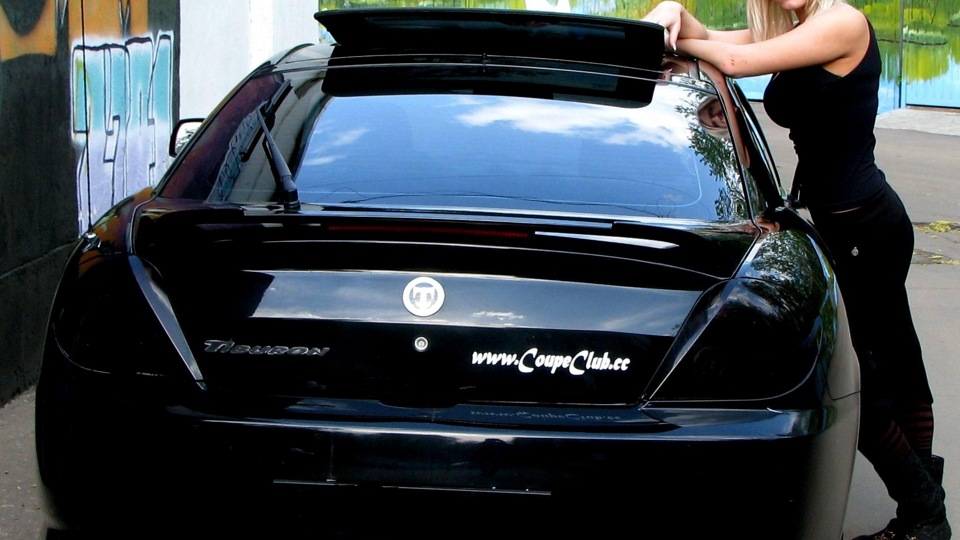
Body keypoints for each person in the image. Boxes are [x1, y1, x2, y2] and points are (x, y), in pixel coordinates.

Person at [640, 2, 950, 539]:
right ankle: (926, 507)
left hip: (865, 225)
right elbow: (714, 37)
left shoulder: (842, 22)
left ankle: (924, 513)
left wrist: (673, 43)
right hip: (848, 223)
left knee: (861, 376)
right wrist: (673, 11)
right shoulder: (800, 29)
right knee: (897, 356)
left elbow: (732, 62)